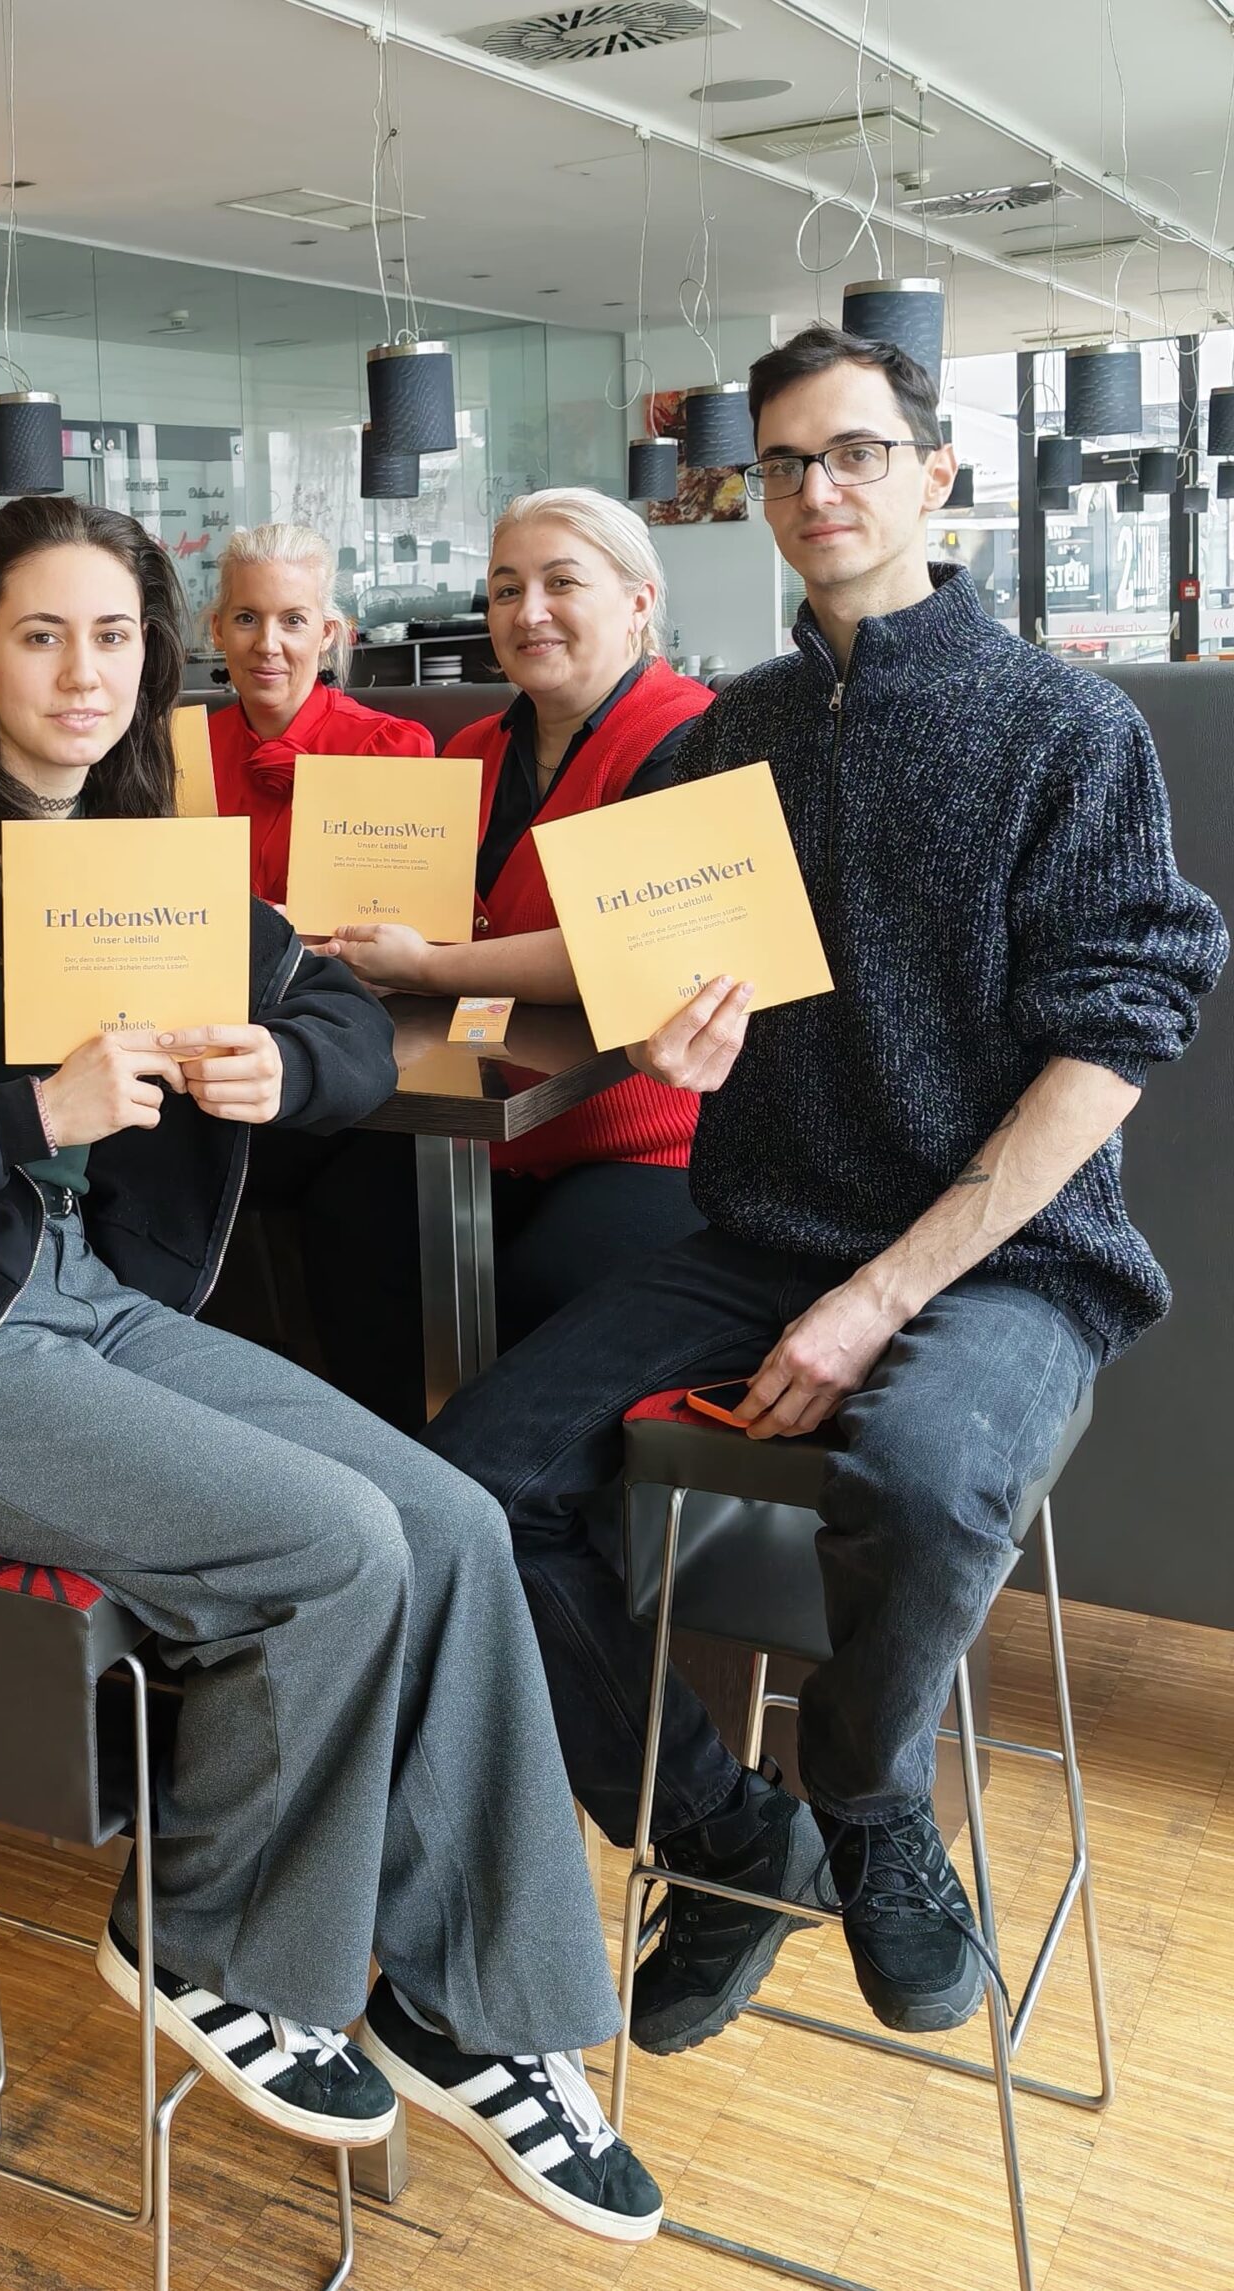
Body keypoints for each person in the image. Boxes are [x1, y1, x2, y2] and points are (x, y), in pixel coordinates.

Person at [0, 495, 661, 2242]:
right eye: (42, 635)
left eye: (116, 637)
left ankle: (473, 2008)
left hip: (93, 1304)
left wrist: (286, 1074)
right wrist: (31, 1111)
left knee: (452, 1519)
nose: (83, 673)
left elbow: (339, 1017)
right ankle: (203, 1937)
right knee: (335, 1542)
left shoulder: (149, 853)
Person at [428, 324, 1226, 2060]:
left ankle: (863, 1801)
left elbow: (1113, 1044)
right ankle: (727, 1836)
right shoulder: (736, 736)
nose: (816, 488)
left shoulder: (1066, 727)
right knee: (471, 1485)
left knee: (921, 1472)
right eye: (784, 462)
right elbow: (646, 971)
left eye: (854, 451)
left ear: (935, 473)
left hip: (1015, 1259)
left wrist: (880, 1297)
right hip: (762, 1230)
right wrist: (671, 1032)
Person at [291, 488, 715, 1428]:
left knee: (544, 1285)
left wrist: (424, 967)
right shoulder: (477, 746)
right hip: (492, 1126)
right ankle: (397, 1482)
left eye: (562, 582)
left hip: (653, 1136)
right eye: (506, 589)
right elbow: (438, 913)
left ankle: (512, 1502)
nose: (529, 613)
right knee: (350, 1222)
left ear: (639, 601)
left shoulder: (689, 737)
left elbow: (634, 951)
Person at [204, 524, 432, 902]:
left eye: (293, 620)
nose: (267, 645)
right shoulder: (186, 752)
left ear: (326, 633)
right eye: (246, 618)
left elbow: (408, 909)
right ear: (218, 629)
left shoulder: (388, 750)